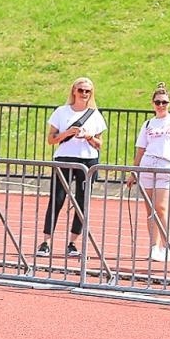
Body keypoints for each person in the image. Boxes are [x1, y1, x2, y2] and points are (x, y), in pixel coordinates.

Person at [37, 77, 106, 257]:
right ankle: (46, 241)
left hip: (87, 160)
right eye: (81, 90)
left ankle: (73, 243)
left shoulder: (95, 114)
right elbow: (51, 139)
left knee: (82, 201)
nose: (84, 94)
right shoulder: (61, 112)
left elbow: (100, 144)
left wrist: (89, 137)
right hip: (64, 158)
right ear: (74, 91)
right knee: (57, 199)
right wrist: (67, 133)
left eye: (88, 91)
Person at [127, 83, 170, 263]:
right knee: (150, 210)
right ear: (152, 103)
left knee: (162, 208)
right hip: (148, 165)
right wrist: (134, 172)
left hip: (166, 166)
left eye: (164, 102)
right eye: (157, 102)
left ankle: (166, 246)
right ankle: (154, 247)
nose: (161, 105)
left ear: (169, 103)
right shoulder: (148, 124)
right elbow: (140, 149)